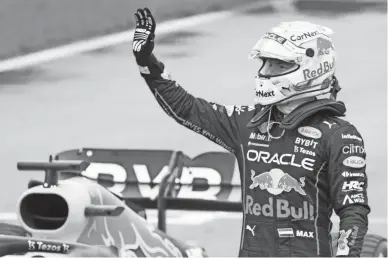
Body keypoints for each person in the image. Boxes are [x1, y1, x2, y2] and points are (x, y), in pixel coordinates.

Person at [132, 8, 370, 257]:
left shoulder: (340, 136)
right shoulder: (247, 122)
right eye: (264, 63)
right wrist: (146, 63)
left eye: (278, 64)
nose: (265, 72)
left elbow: (353, 212)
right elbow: (187, 109)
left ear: (311, 68)